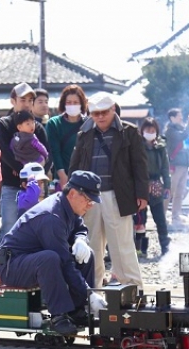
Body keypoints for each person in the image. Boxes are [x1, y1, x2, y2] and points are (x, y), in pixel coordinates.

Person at [0, 171, 108, 335]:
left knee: (87, 255)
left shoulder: (67, 205)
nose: (90, 205)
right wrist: (89, 293)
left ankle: (76, 311)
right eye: (88, 199)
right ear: (72, 193)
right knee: (50, 259)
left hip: (32, 260)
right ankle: (58, 316)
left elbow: (80, 228)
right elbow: (64, 262)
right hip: (12, 265)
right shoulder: (52, 217)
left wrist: (80, 240)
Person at [68, 92, 148, 288]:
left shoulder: (129, 132)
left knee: (121, 244)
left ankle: (132, 287)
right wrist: (71, 191)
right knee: (91, 243)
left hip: (118, 194)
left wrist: (142, 193)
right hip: (89, 197)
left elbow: (140, 164)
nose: (100, 117)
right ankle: (92, 287)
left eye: (104, 112)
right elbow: (75, 164)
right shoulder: (84, 134)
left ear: (113, 109)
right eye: (95, 113)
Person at [0, 82, 50, 286]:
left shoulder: (37, 126)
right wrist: (22, 173)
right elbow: (5, 153)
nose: (26, 104)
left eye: (30, 100)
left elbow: (46, 155)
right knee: (8, 226)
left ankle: (22, 270)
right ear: (13, 101)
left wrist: (33, 176)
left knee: (33, 229)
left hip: (35, 185)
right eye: (22, 99)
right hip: (11, 184)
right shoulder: (3, 124)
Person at [137, 117, 171, 257]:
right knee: (140, 219)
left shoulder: (161, 147)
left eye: (152, 130)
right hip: (141, 185)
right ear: (142, 131)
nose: (150, 132)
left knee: (160, 219)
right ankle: (141, 249)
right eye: (147, 130)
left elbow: (165, 168)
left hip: (157, 185)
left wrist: (167, 186)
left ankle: (165, 246)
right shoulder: (137, 146)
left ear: (156, 131)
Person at [46, 84, 87, 189]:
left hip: (85, 177)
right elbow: (54, 152)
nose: (72, 105)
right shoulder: (54, 123)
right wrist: (62, 176)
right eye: (69, 102)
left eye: (75, 102)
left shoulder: (88, 123)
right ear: (63, 104)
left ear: (82, 104)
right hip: (61, 179)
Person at [164, 108, 189, 227]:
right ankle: (162, 215)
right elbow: (182, 137)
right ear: (172, 118)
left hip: (183, 164)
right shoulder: (170, 131)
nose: (181, 118)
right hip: (175, 165)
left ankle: (176, 215)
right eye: (179, 116)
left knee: (180, 192)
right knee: (170, 191)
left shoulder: (179, 129)